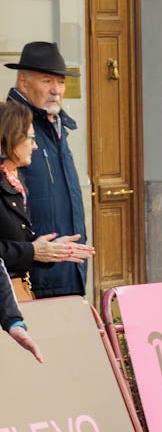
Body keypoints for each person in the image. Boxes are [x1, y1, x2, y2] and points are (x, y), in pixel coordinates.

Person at [6, 42, 89, 296]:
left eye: (61, 82)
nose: (56, 90)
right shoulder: (11, 129)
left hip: (67, 264)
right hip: (32, 273)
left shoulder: (57, 125)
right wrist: (33, 252)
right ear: (23, 82)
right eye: (47, 81)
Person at [0, 98, 93, 300]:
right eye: (31, 138)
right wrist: (33, 251)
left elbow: (15, 239)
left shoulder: (15, 180)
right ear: (11, 138)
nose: (34, 146)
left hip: (18, 292)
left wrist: (49, 249)